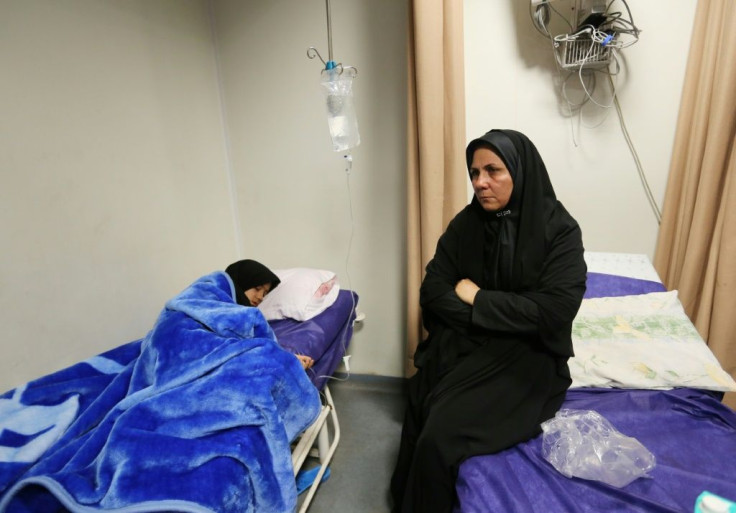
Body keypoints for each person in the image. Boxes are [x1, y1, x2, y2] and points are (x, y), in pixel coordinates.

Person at [390, 129, 587, 513]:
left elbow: (553, 313)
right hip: (470, 339)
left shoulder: (559, 232)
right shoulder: (467, 223)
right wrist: (493, 315)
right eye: (475, 172)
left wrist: (478, 297)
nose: (480, 183)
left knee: (441, 434)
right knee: (419, 398)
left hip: (528, 355)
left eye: (493, 170)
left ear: (519, 170)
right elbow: (433, 289)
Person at [225, 259, 315, 370]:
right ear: (241, 283)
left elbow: (253, 348)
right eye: (257, 289)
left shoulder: (251, 318)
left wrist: (289, 357)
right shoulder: (220, 308)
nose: (260, 297)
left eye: (265, 293)